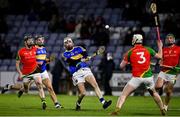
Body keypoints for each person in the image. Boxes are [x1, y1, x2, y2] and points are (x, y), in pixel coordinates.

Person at [110, 34, 166, 116]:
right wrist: (160, 46)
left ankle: (116, 111)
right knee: (154, 93)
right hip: (148, 78)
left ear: (135, 40)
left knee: (124, 94)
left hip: (137, 78)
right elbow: (160, 56)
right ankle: (162, 109)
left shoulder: (130, 52)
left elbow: (121, 66)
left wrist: (128, 61)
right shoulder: (148, 49)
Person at [62, 37, 112, 111]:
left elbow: (85, 56)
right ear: (64, 46)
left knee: (95, 84)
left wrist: (86, 58)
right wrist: (80, 59)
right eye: (66, 42)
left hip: (85, 69)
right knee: (83, 93)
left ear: (72, 43)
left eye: (69, 41)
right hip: (76, 73)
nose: (68, 43)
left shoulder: (80, 48)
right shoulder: (65, 54)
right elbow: (71, 60)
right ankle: (78, 103)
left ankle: (104, 102)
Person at [17, 35, 63, 108]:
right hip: (34, 71)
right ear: (36, 41)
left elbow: (44, 60)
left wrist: (50, 60)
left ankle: (56, 104)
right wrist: (37, 63)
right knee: (27, 87)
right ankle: (21, 90)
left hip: (43, 71)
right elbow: (29, 59)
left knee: (50, 87)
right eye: (39, 40)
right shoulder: (33, 48)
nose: (41, 41)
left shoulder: (43, 48)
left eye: (42, 40)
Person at [1, 35, 47, 110]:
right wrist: (20, 73)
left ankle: (43, 102)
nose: (31, 41)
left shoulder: (35, 48)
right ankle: (9, 86)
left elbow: (42, 49)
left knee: (39, 84)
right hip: (26, 73)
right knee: (26, 90)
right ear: (25, 42)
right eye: (29, 40)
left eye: (32, 40)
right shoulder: (21, 51)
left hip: (36, 71)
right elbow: (17, 63)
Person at [155, 33, 180, 111]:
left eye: (171, 38)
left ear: (174, 39)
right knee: (157, 87)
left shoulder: (179, 49)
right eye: (167, 38)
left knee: (168, 91)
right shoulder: (164, 50)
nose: (169, 39)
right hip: (164, 71)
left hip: (173, 73)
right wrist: (160, 62)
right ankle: (161, 87)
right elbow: (160, 60)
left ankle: (165, 105)